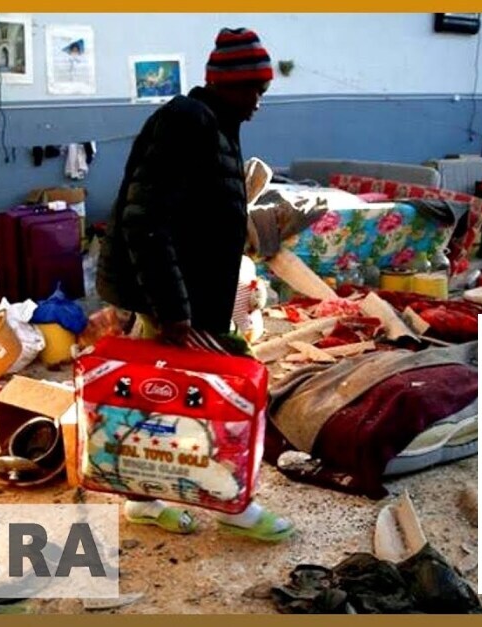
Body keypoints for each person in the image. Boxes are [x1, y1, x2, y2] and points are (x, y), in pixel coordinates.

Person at [96, 27, 293, 542]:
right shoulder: (188, 122)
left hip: (184, 293)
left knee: (158, 401)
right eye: (255, 90)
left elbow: (193, 213)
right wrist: (173, 310)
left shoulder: (214, 124)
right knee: (223, 392)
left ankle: (146, 501)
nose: (258, 104)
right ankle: (230, 503)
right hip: (175, 297)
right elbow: (145, 219)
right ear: (228, 84)